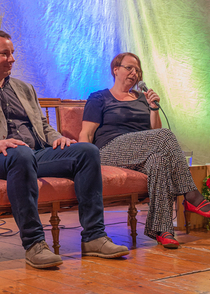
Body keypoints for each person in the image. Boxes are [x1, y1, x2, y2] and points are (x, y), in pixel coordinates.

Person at [0, 30, 129, 269]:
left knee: (87, 151)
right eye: (5, 54)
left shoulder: (23, 88)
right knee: (21, 153)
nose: (12, 59)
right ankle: (35, 244)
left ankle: (94, 237)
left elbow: (43, 125)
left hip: (33, 153)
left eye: (13, 53)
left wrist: (58, 138)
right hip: (5, 156)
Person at [79, 52, 210, 249]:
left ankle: (163, 230)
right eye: (129, 68)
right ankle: (191, 195)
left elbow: (155, 134)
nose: (134, 73)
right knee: (164, 136)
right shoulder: (99, 97)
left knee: (159, 160)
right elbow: (86, 134)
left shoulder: (142, 99)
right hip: (108, 150)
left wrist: (153, 108)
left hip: (141, 151)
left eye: (137, 70)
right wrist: (85, 160)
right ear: (115, 70)